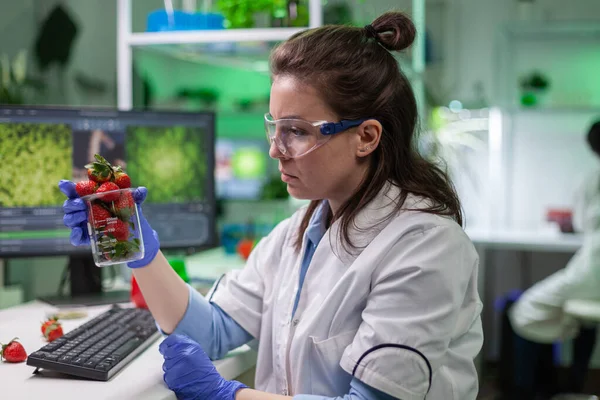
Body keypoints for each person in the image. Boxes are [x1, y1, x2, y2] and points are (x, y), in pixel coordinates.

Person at [60, 11, 483, 400]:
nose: (275, 150)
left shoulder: (424, 246)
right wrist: (137, 247)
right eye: (274, 127)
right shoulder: (298, 232)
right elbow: (212, 332)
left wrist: (228, 396)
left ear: (367, 137)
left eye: (296, 131)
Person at [508, 120, 600, 398]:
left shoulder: (594, 177)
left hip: (595, 271)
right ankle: (574, 385)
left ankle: (527, 392)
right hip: (593, 271)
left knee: (525, 310)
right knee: (584, 320)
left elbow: (583, 222)